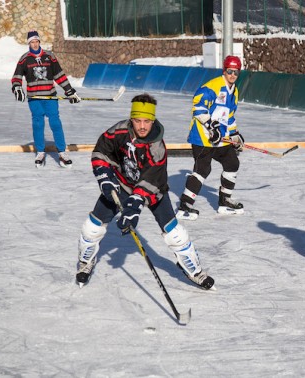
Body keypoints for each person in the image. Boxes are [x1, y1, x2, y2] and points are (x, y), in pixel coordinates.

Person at [75, 93, 215, 290]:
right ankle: (85, 261)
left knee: (176, 234)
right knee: (92, 227)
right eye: (138, 120)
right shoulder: (119, 131)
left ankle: (195, 271)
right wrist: (104, 176)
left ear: (153, 120)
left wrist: (134, 206)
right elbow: (101, 151)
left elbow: (150, 181)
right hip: (122, 185)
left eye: (147, 121)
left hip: (152, 190)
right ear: (131, 119)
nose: (142, 126)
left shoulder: (157, 147)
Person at [176, 55, 246, 220]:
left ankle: (225, 202)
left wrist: (234, 134)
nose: (232, 75)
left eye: (236, 72)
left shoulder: (234, 91)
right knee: (203, 169)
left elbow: (229, 116)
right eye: (230, 71)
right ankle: (185, 205)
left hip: (220, 138)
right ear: (224, 70)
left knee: (232, 163)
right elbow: (198, 106)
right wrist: (210, 126)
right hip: (202, 137)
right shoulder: (213, 86)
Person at [10, 30, 81, 168]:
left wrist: (69, 91)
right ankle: (40, 151)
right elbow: (16, 77)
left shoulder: (50, 56)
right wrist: (17, 88)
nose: (34, 44)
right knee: (38, 124)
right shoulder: (24, 59)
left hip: (50, 96)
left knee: (55, 123)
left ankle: (62, 152)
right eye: (32, 42)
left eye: (36, 41)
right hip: (35, 98)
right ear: (29, 43)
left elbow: (59, 75)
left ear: (39, 42)